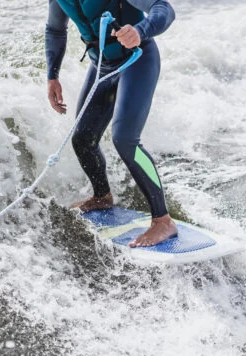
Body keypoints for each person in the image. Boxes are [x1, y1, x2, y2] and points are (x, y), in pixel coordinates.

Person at [45, 0, 178, 247]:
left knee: (125, 139)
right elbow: (55, 29)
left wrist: (141, 30)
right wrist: (52, 76)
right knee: (83, 139)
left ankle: (163, 221)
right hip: (102, 66)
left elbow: (164, 8)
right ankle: (102, 196)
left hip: (138, 60)